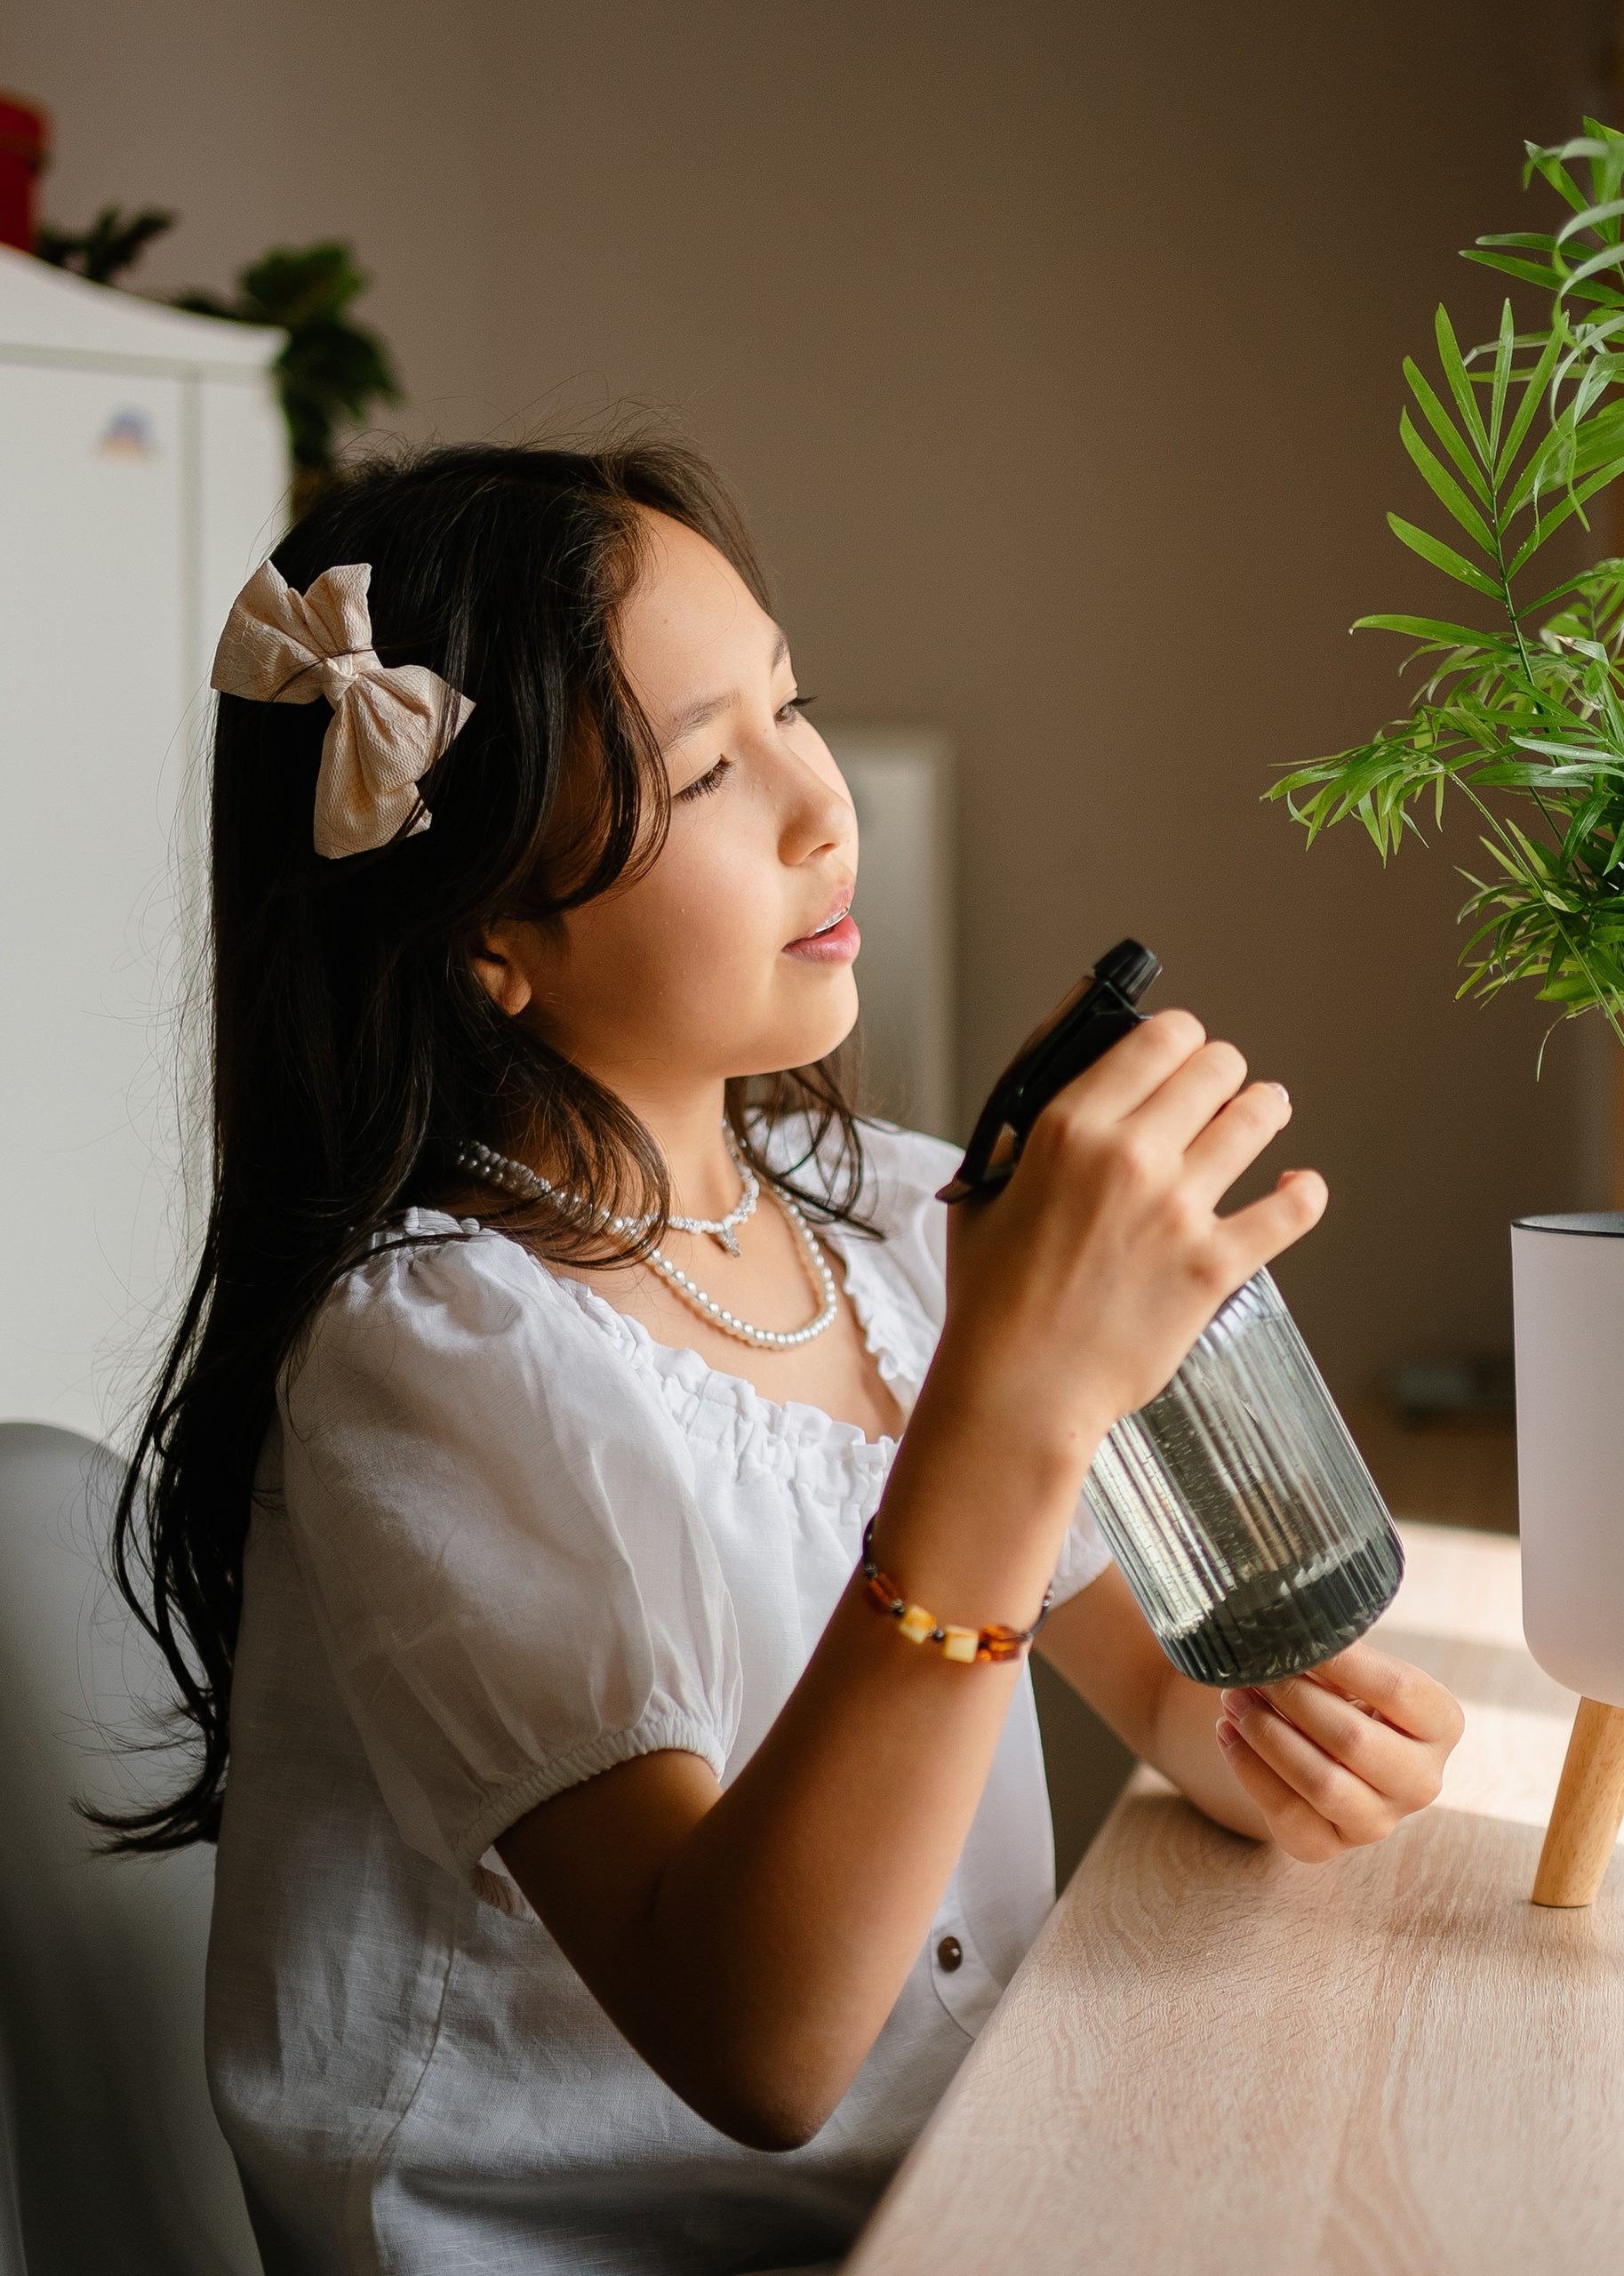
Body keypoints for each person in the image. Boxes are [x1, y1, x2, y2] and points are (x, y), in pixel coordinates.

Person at [104, 439, 1464, 2275]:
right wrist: (1014, 1393)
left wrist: (1280, 1733)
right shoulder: (430, 1351)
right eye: (708, 766)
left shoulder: (886, 1220)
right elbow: (760, 2039)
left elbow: (1162, 1696)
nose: (823, 804)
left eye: (791, 702)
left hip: (938, 2202)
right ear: (488, 930)